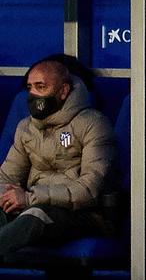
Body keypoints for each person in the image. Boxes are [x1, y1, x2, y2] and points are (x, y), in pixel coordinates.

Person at [0, 58, 115, 256]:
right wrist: (7, 195)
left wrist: (29, 198)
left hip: (83, 213)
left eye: (41, 87)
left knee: (34, 216)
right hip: (35, 204)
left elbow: (89, 189)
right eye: (30, 87)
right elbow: (6, 176)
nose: (33, 94)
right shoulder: (26, 128)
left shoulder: (94, 125)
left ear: (63, 91)